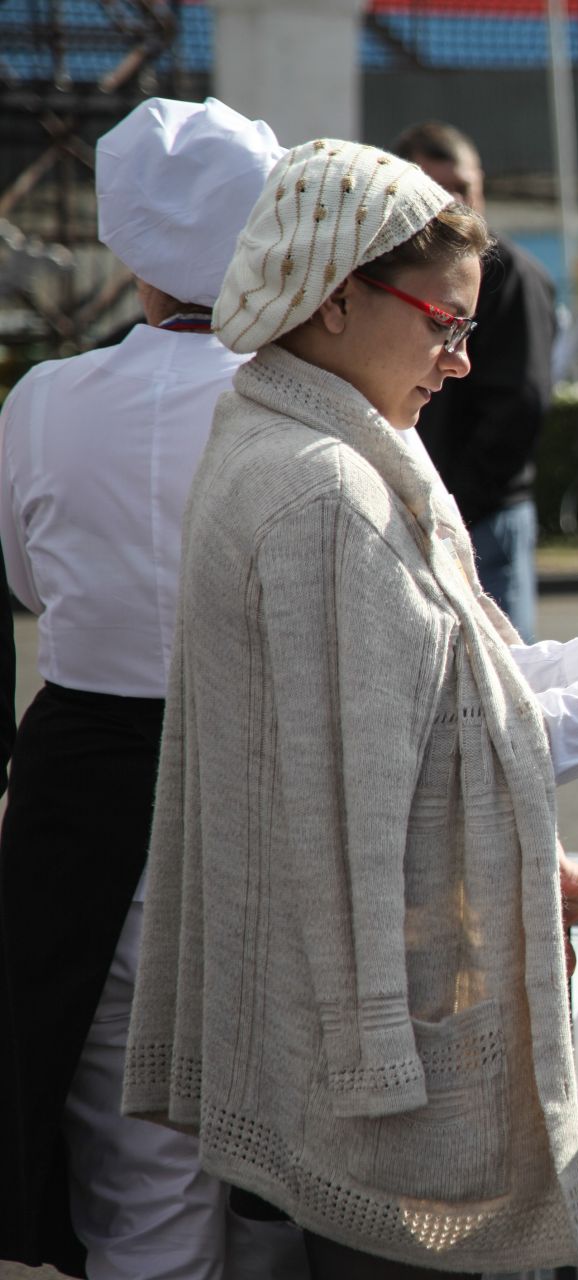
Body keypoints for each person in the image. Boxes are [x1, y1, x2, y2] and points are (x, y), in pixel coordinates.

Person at [122, 137, 578, 1278]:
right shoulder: (329, 490)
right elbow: (467, 753)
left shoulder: (309, 437)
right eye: (443, 324)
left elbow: (458, 697)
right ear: (333, 300)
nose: (461, 360)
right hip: (374, 1070)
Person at [0, 98, 302, 1280]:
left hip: (87, 797)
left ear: (124, 249)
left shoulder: (43, 401)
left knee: (137, 1171)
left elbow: (27, 580)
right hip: (270, 783)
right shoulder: (308, 406)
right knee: (285, 1162)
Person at [391, 121, 555, 640]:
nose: (455, 203)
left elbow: (521, 402)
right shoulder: (402, 274)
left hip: (481, 516)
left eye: (464, 188)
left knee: (503, 687)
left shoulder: (507, 272)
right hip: (430, 508)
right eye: (439, 190)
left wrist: (456, 502)